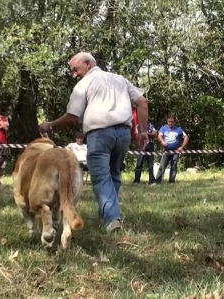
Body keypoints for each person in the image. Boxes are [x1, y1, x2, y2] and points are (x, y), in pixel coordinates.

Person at [39, 52, 149, 235]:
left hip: (100, 135)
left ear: (88, 64)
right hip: (123, 134)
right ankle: (107, 215)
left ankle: (112, 220)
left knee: (100, 178)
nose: (74, 74)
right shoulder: (119, 79)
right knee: (113, 174)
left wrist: (50, 126)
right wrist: (143, 131)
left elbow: (72, 117)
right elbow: (142, 101)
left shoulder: (84, 85)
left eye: (76, 69)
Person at [154, 115, 189, 184]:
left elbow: (186, 137)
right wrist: (162, 142)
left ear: (175, 122)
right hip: (166, 151)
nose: (170, 123)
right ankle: (157, 181)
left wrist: (182, 147)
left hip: (176, 151)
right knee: (162, 166)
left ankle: (172, 181)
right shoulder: (163, 128)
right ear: (167, 122)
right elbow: (159, 136)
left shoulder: (179, 129)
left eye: (172, 122)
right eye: (169, 122)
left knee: (174, 167)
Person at [133, 113, 158, 185]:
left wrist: (145, 133)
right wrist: (149, 134)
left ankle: (152, 180)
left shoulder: (151, 126)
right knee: (139, 163)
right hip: (141, 145)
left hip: (150, 145)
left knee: (150, 164)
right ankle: (136, 180)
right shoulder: (138, 126)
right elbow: (138, 136)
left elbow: (155, 134)